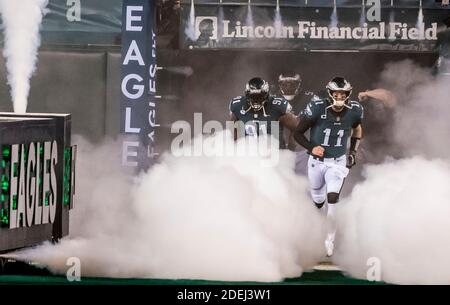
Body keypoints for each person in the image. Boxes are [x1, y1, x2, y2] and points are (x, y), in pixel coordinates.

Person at [294, 76, 364, 257]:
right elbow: (298, 133)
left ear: (348, 94)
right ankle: (316, 230)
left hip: (337, 162)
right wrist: (311, 147)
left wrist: (353, 151)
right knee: (318, 200)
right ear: (330, 93)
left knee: (333, 198)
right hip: (316, 162)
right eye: (337, 93)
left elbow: (357, 128)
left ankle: (329, 241)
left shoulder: (355, 110)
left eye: (343, 93)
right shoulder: (317, 108)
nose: (340, 96)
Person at [229, 77, 299, 148]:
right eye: (253, 96)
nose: (255, 100)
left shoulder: (278, 106)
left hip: (276, 155)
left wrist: (290, 150)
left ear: (266, 94)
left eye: (259, 96)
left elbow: (296, 128)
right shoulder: (237, 106)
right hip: (248, 155)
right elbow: (232, 131)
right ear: (247, 94)